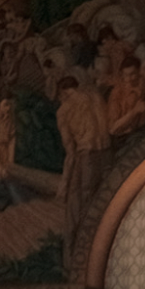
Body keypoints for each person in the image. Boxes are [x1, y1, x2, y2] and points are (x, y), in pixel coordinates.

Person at [55, 76, 112, 242]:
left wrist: (64, 182)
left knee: (82, 198)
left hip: (86, 154)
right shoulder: (95, 96)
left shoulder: (64, 110)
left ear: (62, 93)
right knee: (105, 195)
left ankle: (83, 240)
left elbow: (70, 151)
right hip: (107, 152)